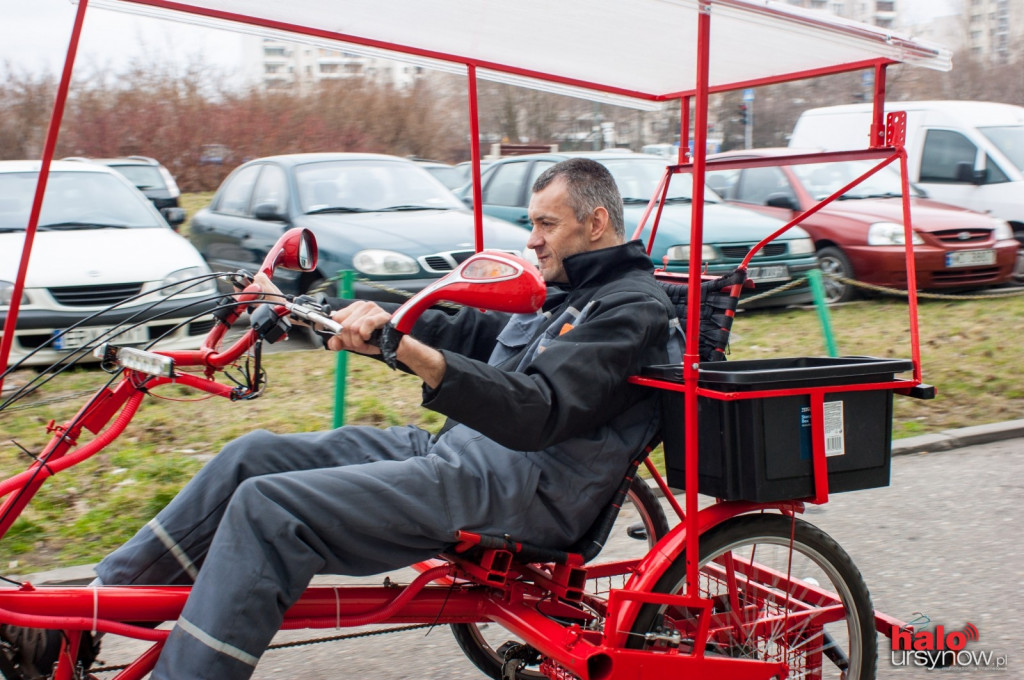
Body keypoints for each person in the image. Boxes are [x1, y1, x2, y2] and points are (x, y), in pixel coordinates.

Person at [21, 158, 681, 679]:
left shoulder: (629, 310)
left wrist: (411, 352)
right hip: (461, 457)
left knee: (270, 509)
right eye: (531, 223)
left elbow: (537, 411)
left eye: (546, 224)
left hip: (523, 491)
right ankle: (82, 616)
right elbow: (471, 329)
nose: (531, 239)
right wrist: (350, 310)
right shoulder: (567, 291)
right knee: (252, 456)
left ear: (595, 224)